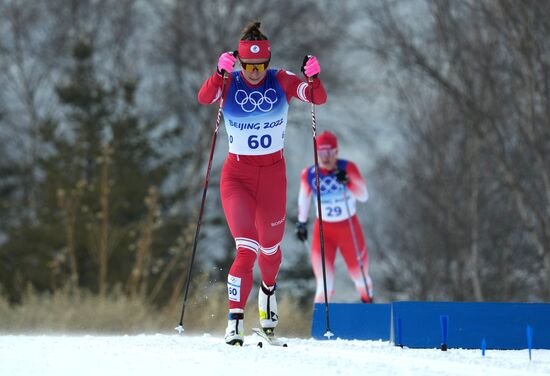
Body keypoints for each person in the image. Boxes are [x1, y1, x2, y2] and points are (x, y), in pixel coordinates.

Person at [197, 21, 327, 345]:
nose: (254, 72)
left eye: (260, 65)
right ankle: (235, 321)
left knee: (270, 249)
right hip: (237, 177)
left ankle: (268, 294)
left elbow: (316, 98)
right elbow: (204, 97)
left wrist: (314, 76)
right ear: (239, 63)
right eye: (248, 66)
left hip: (272, 177)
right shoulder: (229, 83)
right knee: (246, 249)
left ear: (267, 63)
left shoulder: (280, 81)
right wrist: (217, 72)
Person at [295, 131, 374, 304]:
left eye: (329, 153)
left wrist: (348, 182)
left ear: (336, 152)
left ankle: (369, 308)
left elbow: (363, 196)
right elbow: (303, 199)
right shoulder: (309, 174)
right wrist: (301, 223)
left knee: (360, 278)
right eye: (321, 154)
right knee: (324, 284)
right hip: (324, 231)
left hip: (349, 229)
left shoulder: (348, 168)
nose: (325, 158)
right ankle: (320, 327)